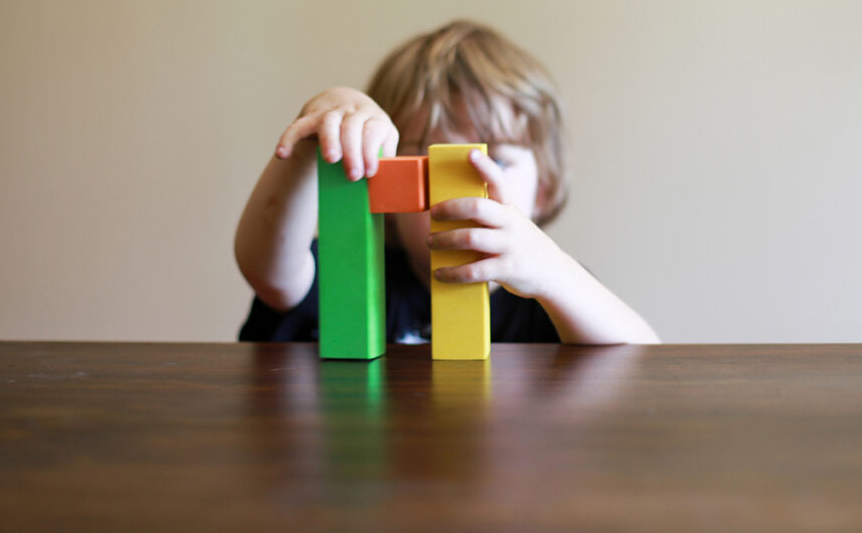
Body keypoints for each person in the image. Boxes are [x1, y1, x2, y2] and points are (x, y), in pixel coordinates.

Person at [235, 20, 659, 345]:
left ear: (543, 189)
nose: (463, 185)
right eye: (431, 158)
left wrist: (556, 274)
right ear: (381, 180)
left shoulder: (552, 293)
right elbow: (268, 270)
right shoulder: (349, 273)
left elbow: (643, 363)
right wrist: (317, 142)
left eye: (494, 158)